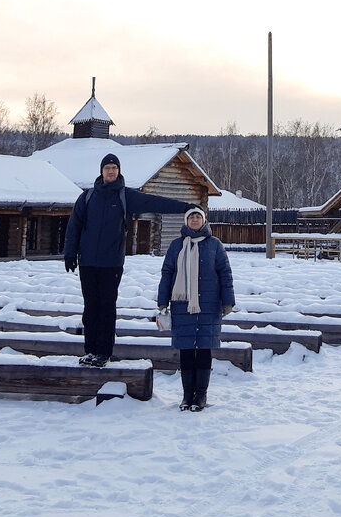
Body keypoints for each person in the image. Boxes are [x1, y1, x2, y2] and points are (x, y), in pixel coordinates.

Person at [63, 152, 193, 368]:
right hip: (87, 262)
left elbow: (154, 202)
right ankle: (90, 350)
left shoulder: (125, 196)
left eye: (114, 168)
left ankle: (103, 352)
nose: (111, 171)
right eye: (107, 168)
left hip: (111, 263)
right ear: (101, 171)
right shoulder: (87, 197)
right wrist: (70, 253)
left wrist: (184, 207)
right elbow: (74, 226)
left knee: (106, 308)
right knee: (90, 308)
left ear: (119, 171)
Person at [157, 206, 235, 411]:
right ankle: (186, 395)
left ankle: (200, 395)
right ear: (186, 221)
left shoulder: (215, 245)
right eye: (191, 217)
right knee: (186, 350)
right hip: (182, 305)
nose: (194, 220)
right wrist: (162, 301)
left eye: (197, 217)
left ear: (204, 221)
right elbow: (167, 274)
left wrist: (228, 301)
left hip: (208, 305)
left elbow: (225, 274)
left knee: (203, 350)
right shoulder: (176, 246)